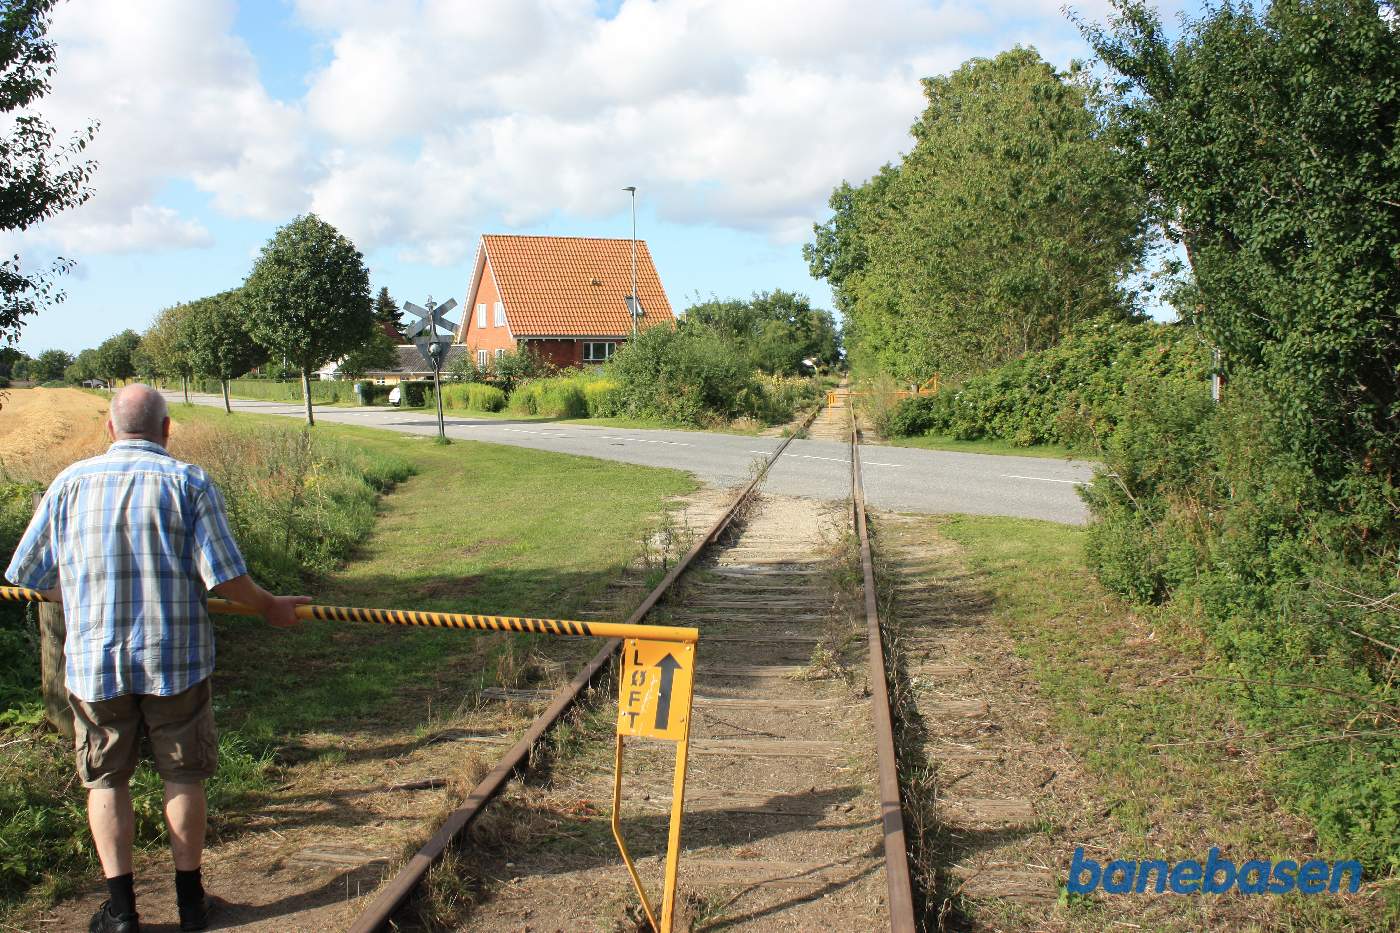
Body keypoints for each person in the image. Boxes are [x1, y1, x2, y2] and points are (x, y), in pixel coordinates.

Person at [5, 384, 310, 933]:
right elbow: (226, 577)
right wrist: (271, 608)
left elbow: (28, 576)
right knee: (184, 776)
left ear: (109, 429)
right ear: (167, 429)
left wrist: (77, 592)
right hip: (177, 660)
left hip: (96, 664)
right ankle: (191, 903)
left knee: (105, 782)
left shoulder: (68, 483)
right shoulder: (188, 482)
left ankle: (121, 913)